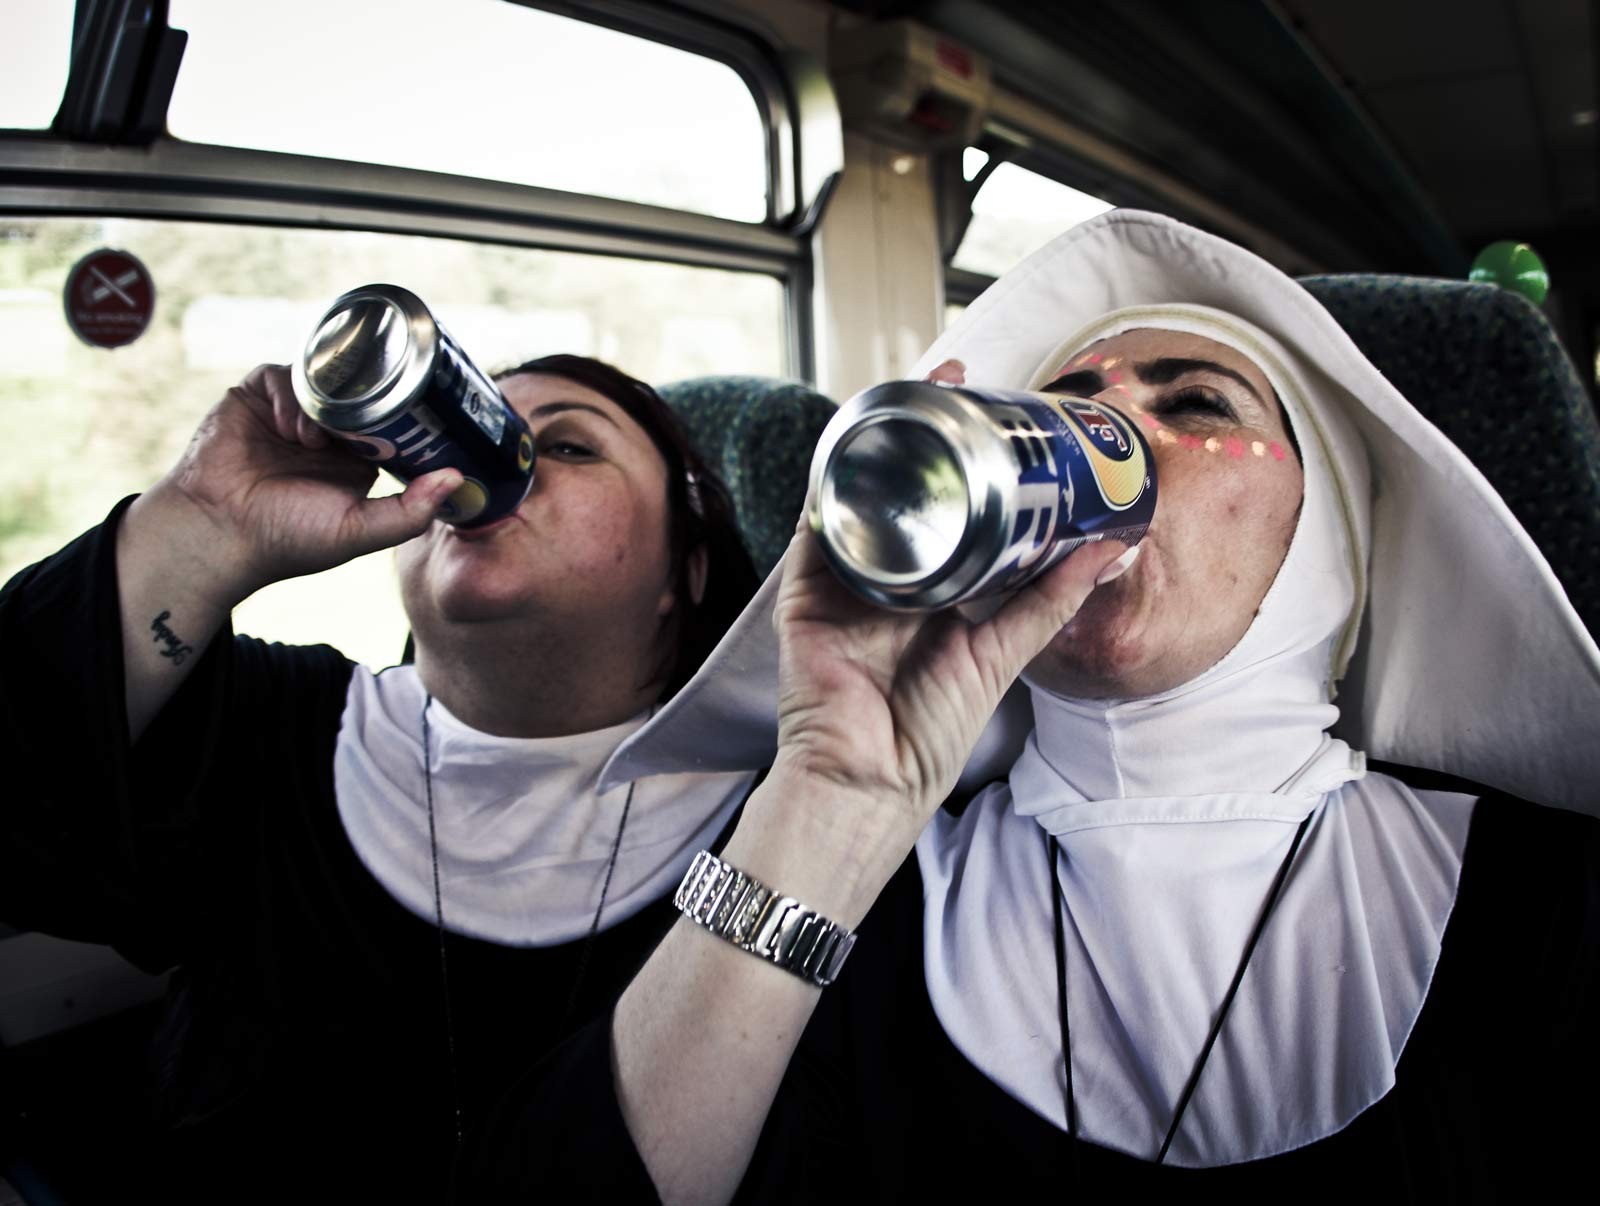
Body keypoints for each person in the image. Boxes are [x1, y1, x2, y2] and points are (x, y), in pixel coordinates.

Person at [465, 211, 1600, 1202]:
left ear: (1328, 549)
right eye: (1069, 407)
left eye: (1194, 401)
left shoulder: (1542, 893)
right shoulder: (871, 889)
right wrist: (831, 798)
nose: (1121, 432)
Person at [0, 353, 760, 1202]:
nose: (489, 465)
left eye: (570, 446)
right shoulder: (271, 724)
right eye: (461, 437)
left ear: (685, 572)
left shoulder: (779, 835)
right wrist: (205, 518)